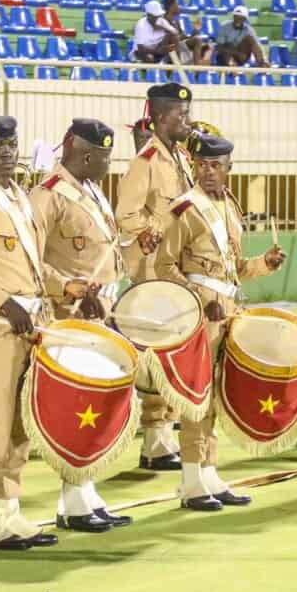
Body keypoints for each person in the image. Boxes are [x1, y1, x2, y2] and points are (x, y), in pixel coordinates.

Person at [0, 115, 96, 550]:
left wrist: (63, 285)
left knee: (19, 424)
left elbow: (31, 266)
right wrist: (1, 300)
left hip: (32, 322)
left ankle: (10, 509)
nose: (7, 153)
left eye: (11, 145)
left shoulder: (18, 196)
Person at [155, 132, 285, 511]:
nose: (208, 171)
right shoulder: (184, 209)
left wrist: (264, 264)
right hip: (199, 313)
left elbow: (233, 269)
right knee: (197, 396)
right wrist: (198, 301)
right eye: (201, 165)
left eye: (215, 165)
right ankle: (192, 478)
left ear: (229, 168)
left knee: (215, 394)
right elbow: (164, 267)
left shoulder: (228, 204)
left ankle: (209, 470)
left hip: (227, 307)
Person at [30, 118, 130, 533]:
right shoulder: (47, 196)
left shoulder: (92, 191)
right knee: (76, 407)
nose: (106, 164)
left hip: (98, 312)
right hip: (67, 315)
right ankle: (72, 500)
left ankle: (85, 491)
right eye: (101, 156)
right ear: (82, 152)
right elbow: (32, 259)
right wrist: (67, 288)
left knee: (96, 405)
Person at [114, 82, 195, 469]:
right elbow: (126, 216)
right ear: (161, 119)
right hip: (152, 272)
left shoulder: (181, 159)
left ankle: (167, 433)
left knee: (175, 351)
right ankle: (155, 440)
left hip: (178, 270)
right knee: (157, 354)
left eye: (188, 113)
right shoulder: (145, 162)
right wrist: (158, 228)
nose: (187, 121)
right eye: (181, 115)